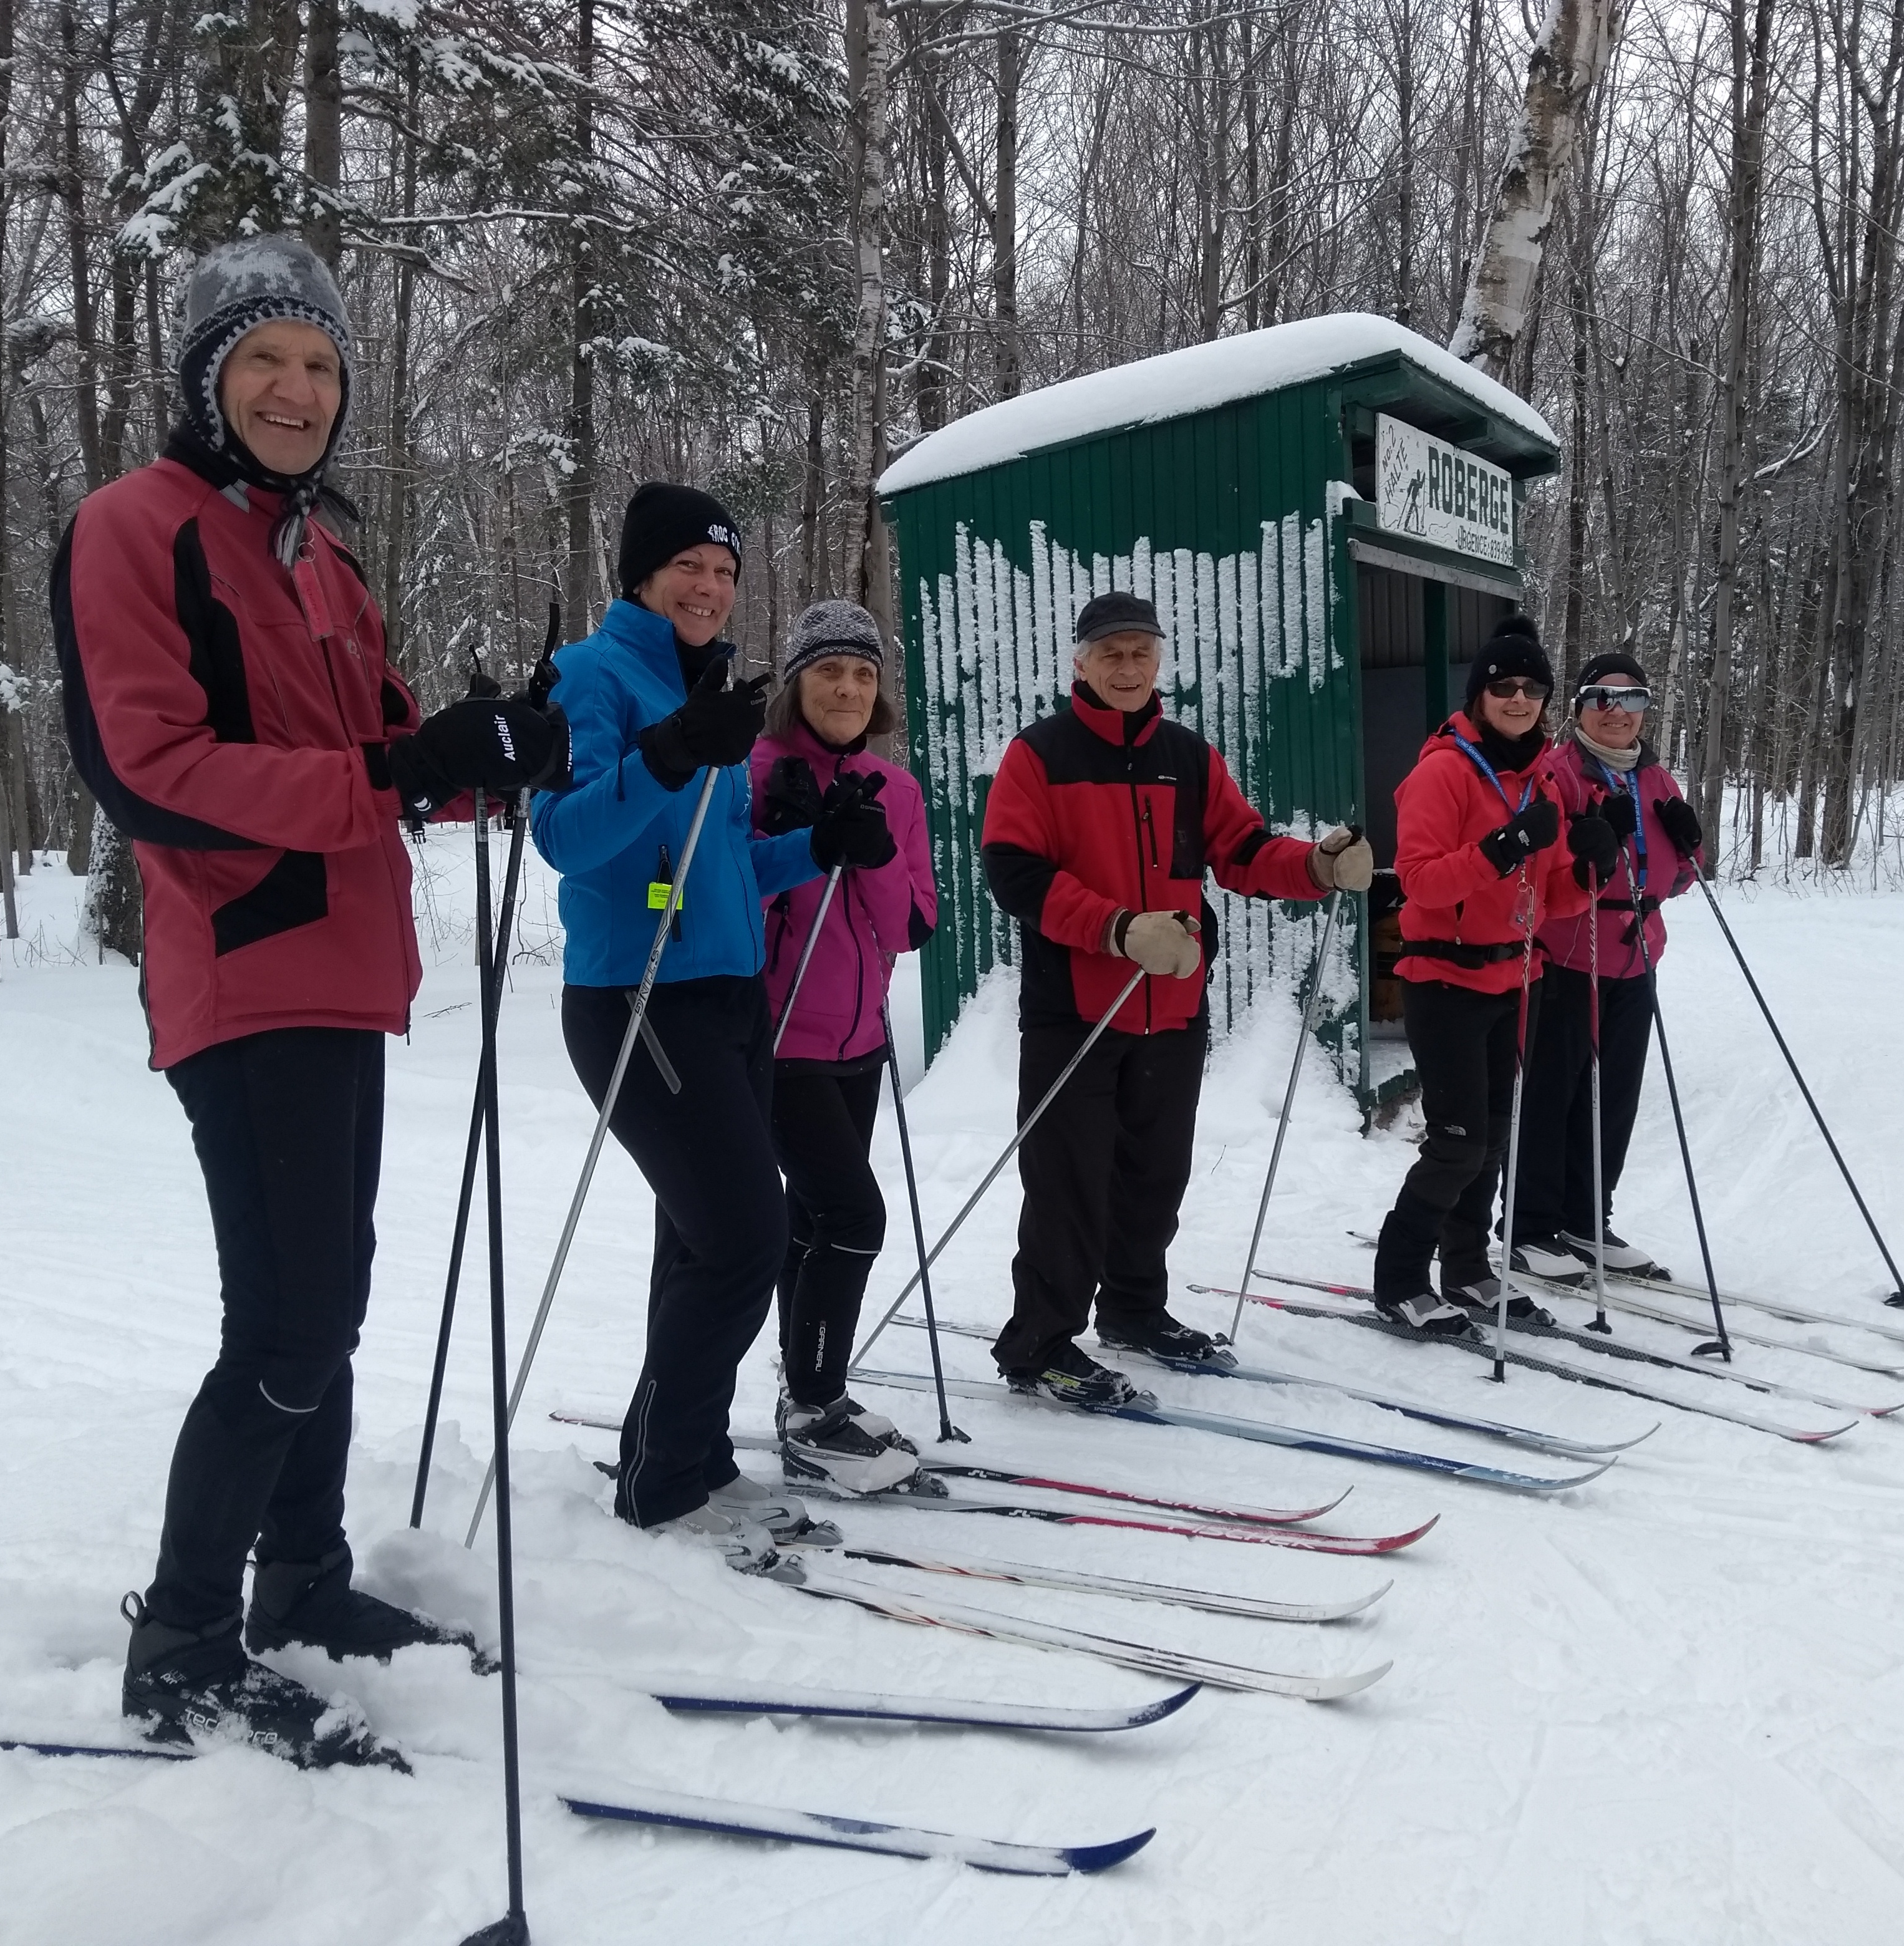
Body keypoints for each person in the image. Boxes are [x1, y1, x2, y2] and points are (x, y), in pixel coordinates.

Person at [56, 235, 563, 1766]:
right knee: (284, 1318)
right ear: (206, 376)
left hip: (345, 973)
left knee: (325, 1304)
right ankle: (188, 1634)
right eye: (266, 358)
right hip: (245, 966)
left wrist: (487, 749)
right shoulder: (132, 527)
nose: (297, 387)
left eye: (324, 364)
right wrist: (397, 770)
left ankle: (304, 1578)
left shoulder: (320, 555)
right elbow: (147, 766)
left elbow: (387, 762)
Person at [530, 483, 897, 1576]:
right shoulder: (590, 678)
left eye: (727, 571)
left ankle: (684, 1451)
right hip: (636, 1001)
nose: (709, 586)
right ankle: (660, 1482)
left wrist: (819, 845)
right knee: (748, 1234)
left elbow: (723, 859)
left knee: (703, 1238)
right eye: (690, 565)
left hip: (730, 995)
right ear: (643, 575)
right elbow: (566, 838)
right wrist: (673, 752)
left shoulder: (711, 689)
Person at [981, 590, 1372, 1405]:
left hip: (1173, 1006)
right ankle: (1041, 1343)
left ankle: (1131, 1309)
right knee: (1069, 1183)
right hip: (1077, 1008)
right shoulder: (1040, 756)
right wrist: (1117, 929)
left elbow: (1242, 848)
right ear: (1080, 663)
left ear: (1159, 662)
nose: (1127, 667)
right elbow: (1014, 874)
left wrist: (1317, 865)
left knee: (1155, 1177)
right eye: (1111, 653)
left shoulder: (1187, 757)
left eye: (1141, 653)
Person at [1367, 614, 1612, 1335]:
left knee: (1494, 1139)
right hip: (1445, 981)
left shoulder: (1539, 778)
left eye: (1531, 688)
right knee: (1456, 1143)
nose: (1517, 698)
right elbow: (1417, 882)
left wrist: (1591, 868)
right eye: (1502, 686)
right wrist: (1501, 846)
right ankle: (1399, 1278)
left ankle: (1468, 1269)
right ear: (1478, 695)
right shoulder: (1441, 772)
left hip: (1516, 979)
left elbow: (1554, 897)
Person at [750, 601, 939, 1493]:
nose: (849, 688)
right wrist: (794, 841)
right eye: (830, 670)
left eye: (864, 674)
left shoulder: (894, 790)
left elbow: (906, 927)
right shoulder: (751, 770)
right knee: (853, 1218)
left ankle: (802, 1387)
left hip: (860, 1041)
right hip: (778, 1039)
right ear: (796, 683)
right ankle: (817, 1404)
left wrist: (865, 851)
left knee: (811, 1221)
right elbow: (720, 903)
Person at [1512, 653, 1702, 1276]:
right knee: (1554, 1092)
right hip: (1570, 951)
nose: (1617, 713)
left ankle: (1588, 1220)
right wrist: (1588, 839)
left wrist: (1687, 844)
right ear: (1578, 708)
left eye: (1632, 700)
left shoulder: (1655, 780)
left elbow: (1676, 883)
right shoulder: (1558, 773)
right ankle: (1529, 1225)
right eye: (1601, 699)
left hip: (1636, 951)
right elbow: (1537, 869)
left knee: (1614, 1096)